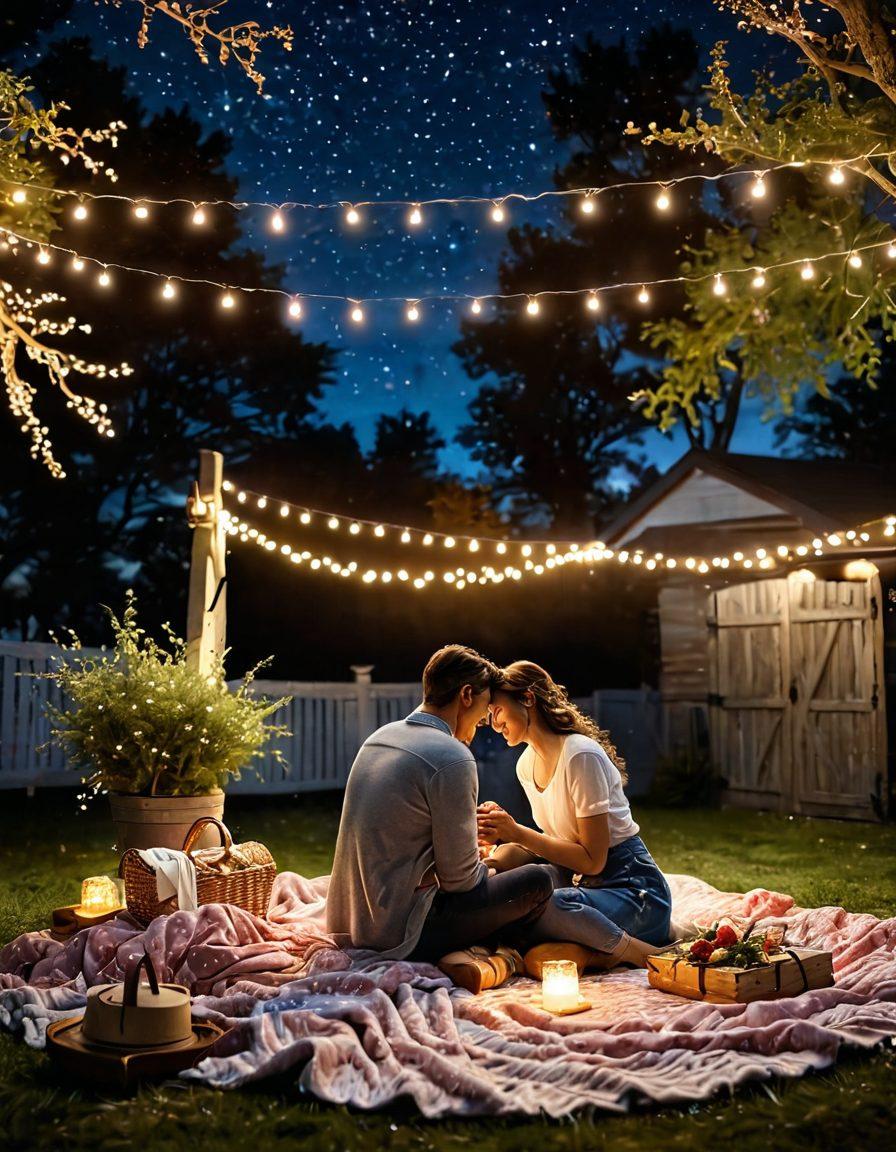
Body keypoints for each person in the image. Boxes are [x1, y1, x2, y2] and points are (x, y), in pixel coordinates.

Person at [326, 644, 553, 991]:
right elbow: (461, 882)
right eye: (481, 714)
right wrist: (490, 863)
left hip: (351, 920)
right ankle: (498, 956)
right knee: (537, 880)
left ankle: (478, 952)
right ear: (466, 695)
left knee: (508, 867)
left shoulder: (380, 737)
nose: (480, 727)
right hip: (402, 932)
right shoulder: (452, 757)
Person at [478, 661, 672, 976]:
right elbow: (554, 847)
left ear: (528, 698)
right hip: (582, 884)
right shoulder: (526, 765)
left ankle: (644, 953)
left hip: (634, 891)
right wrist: (495, 854)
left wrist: (516, 832)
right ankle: (588, 949)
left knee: (552, 905)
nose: (493, 723)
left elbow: (593, 861)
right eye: (489, 716)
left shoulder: (580, 756)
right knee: (514, 885)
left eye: (497, 711)